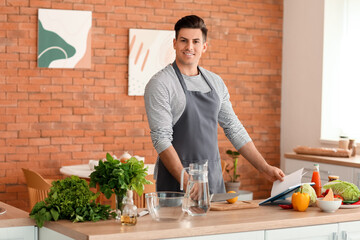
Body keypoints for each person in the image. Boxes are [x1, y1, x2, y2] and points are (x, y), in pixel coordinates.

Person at [144, 15, 284, 194]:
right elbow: (161, 139)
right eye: (183, 41)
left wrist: (264, 167)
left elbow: (234, 128)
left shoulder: (215, 82)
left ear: (204, 46)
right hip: (177, 182)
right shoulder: (161, 83)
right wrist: (187, 182)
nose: (189, 47)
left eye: (196, 41)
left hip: (212, 178)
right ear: (174, 43)